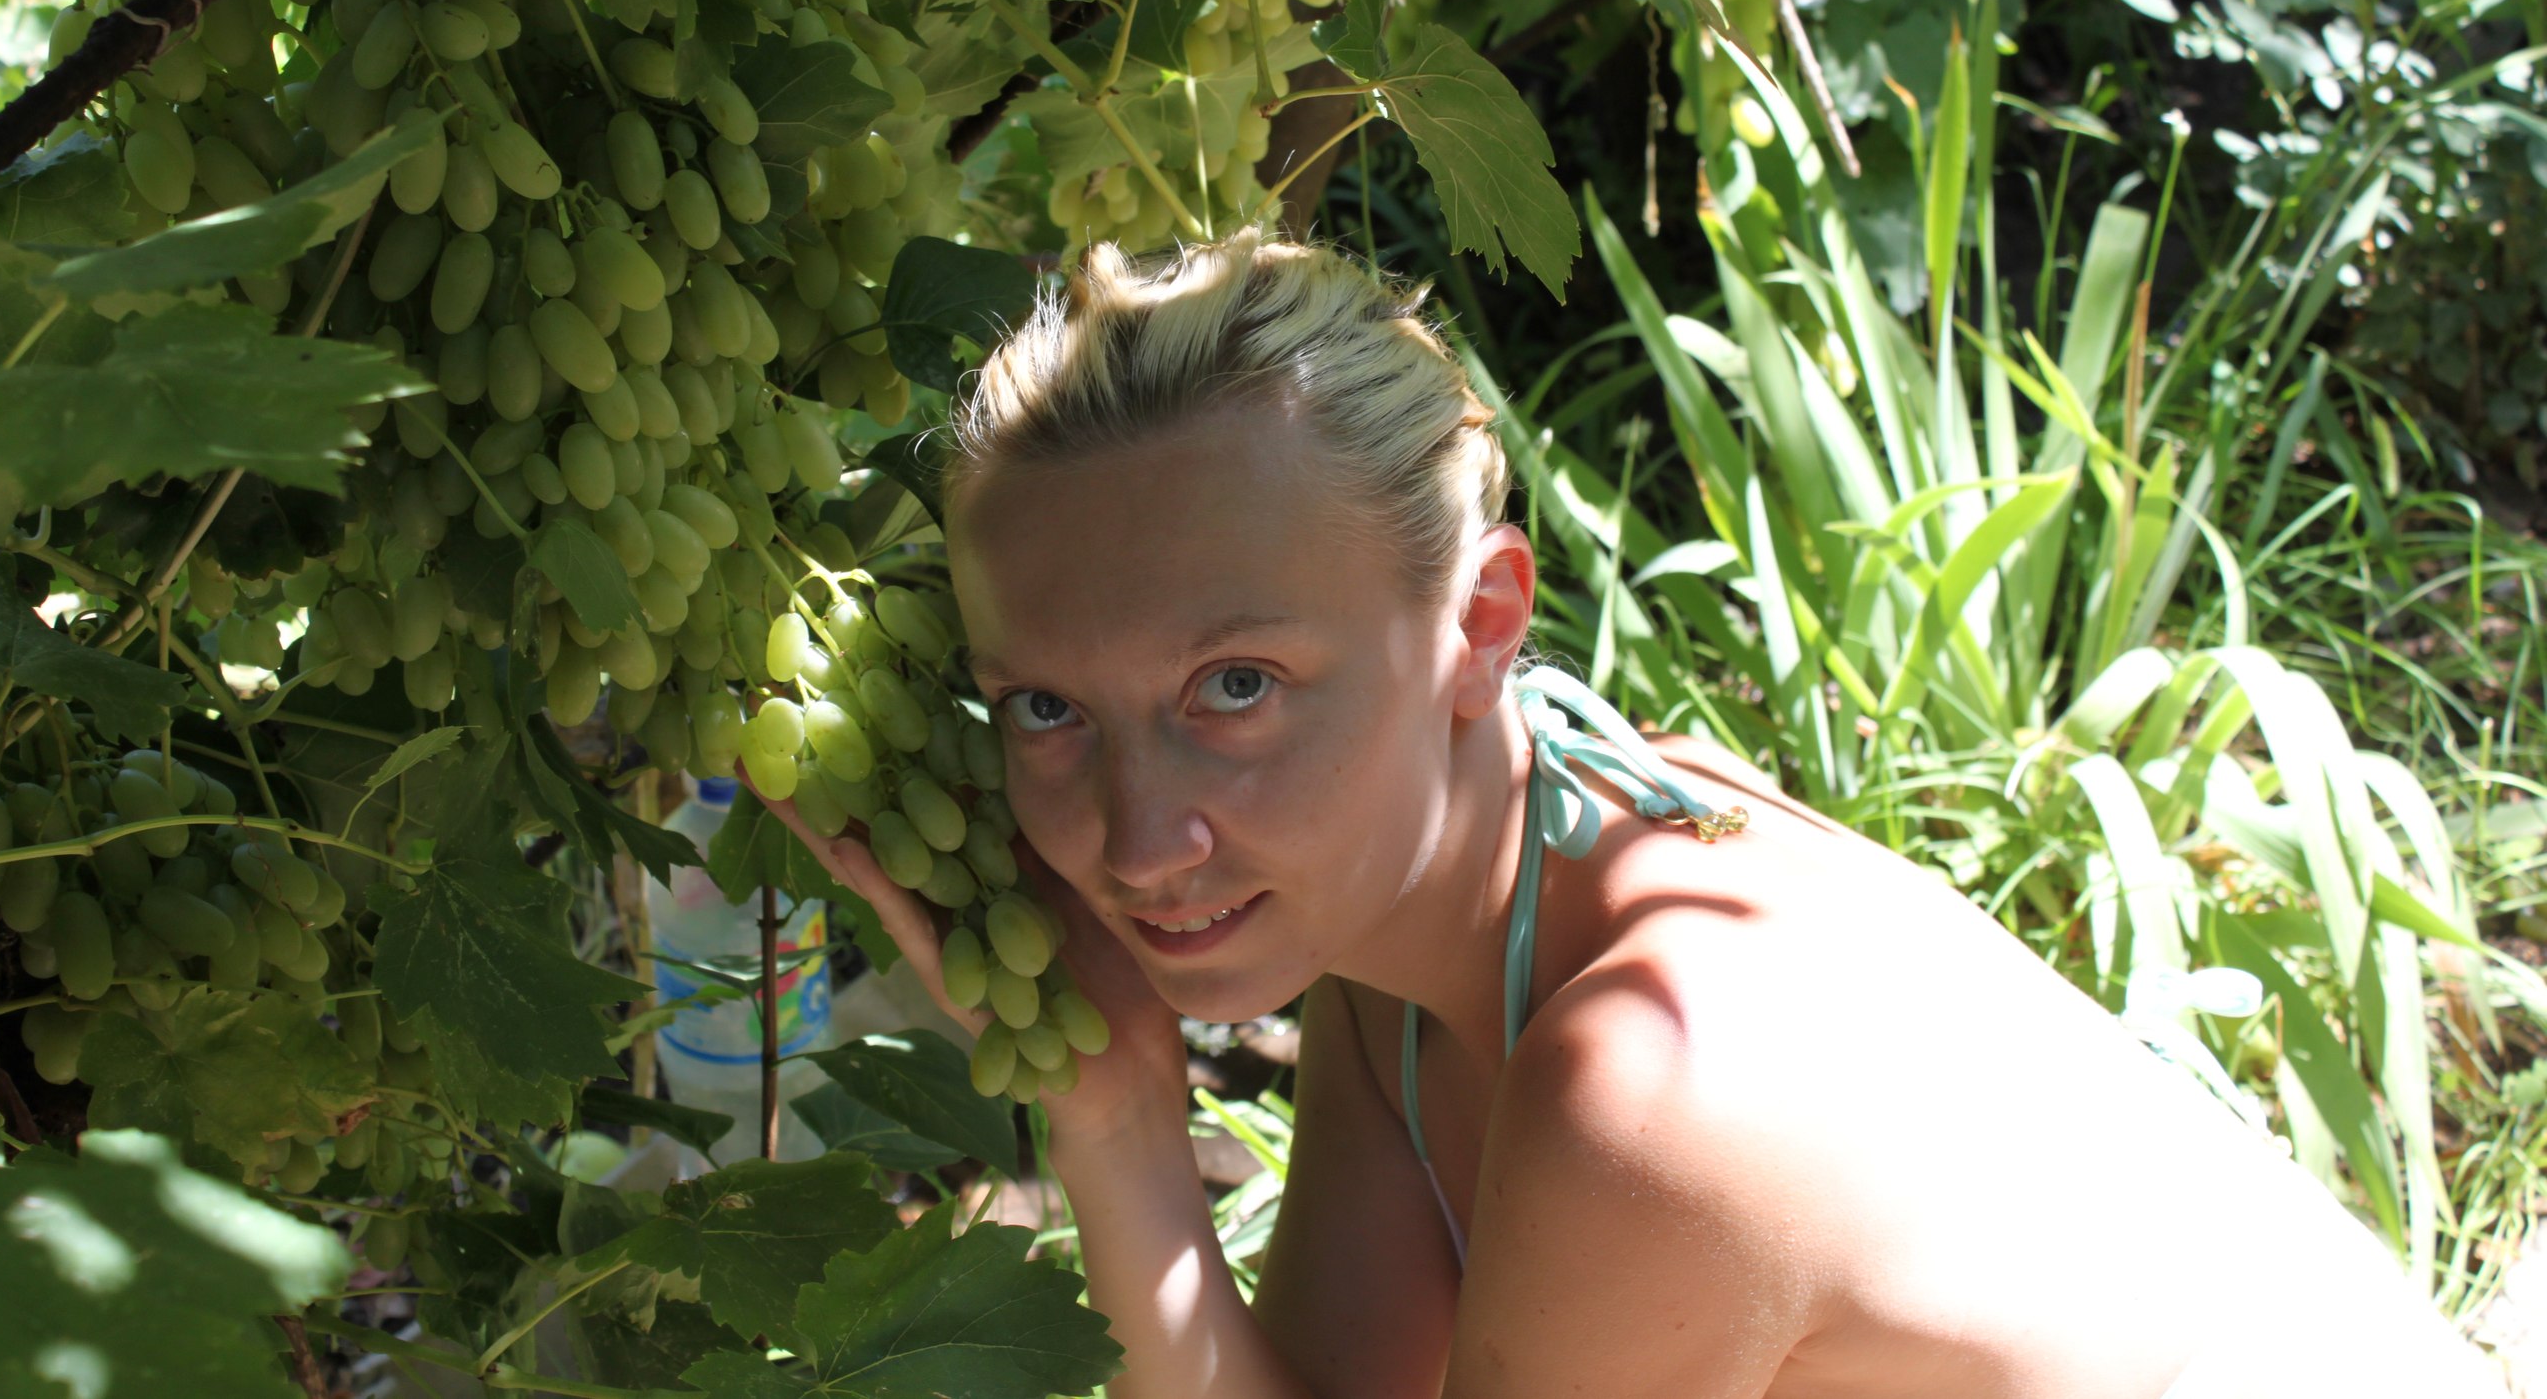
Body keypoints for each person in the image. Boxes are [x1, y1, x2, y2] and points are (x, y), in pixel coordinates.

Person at [760, 226, 2505, 1398]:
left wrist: (1131, 1152)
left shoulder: (1652, 1087)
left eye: (1237, 686)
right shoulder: (1454, 902)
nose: (1140, 841)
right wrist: (1118, 1111)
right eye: (1050, 710)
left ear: (1479, 626)